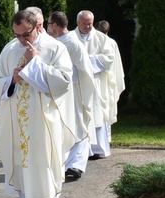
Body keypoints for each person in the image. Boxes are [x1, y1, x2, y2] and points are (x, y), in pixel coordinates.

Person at [0, 10, 75, 198]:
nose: (21, 40)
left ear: (39, 26)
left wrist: (35, 62)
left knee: (43, 170)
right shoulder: (10, 49)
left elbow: (63, 82)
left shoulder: (55, 49)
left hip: (43, 124)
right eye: (17, 35)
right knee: (22, 170)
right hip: (17, 123)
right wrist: (12, 80)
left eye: (25, 34)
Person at [48, 11, 95, 180]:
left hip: (74, 93)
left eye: (48, 24)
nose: (47, 28)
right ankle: (66, 164)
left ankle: (76, 165)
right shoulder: (54, 42)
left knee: (78, 126)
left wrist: (66, 76)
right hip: (59, 93)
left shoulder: (73, 44)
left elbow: (85, 71)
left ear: (55, 25)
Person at [74, 10, 117, 159]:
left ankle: (98, 149)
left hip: (96, 82)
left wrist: (88, 60)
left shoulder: (101, 38)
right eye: (84, 24)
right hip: (78, 82)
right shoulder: (71, 38)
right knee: (80, 115)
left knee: (97, 114)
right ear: (77, 23)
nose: (87, 26)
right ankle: (82, 151)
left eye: (90, 24)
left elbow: (109, 58)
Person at [95, 20, 125, 134]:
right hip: (104, 80)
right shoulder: (112, 42)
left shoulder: (110, 43)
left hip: (107, 81)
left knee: (105, 109)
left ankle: (104, 138)